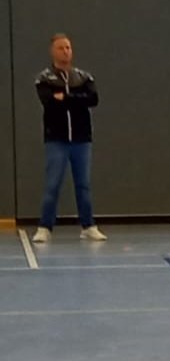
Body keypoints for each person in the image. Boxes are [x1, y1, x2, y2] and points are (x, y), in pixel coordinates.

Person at [32, 34, 107, 244]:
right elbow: (49, 101)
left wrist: (66, 97)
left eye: (68, 48)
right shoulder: (44, 78)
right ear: (53, 51)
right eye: (61, 48)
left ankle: (88, 225)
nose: (66, 51)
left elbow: (92, 99)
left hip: (82, 139)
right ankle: (45, 227)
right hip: (56, 139)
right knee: (53, 184)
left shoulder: (84, 77)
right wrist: (75, 100)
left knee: (83, 184)